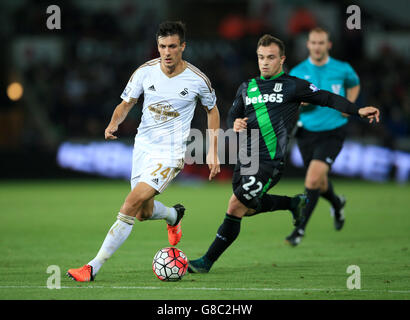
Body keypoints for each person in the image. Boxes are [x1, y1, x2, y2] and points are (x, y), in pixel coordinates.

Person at [188, 34, 379, 273]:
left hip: (270, 161)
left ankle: (206, 262)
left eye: (270, 57)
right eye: (261, 57)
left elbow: (326, 97)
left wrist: (357, 110)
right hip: (246, 160)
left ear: (282, 59)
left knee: (236, 205)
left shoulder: (293, 86)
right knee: (246, 208)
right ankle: (293, 203)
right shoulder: (247, 87)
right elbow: (232, 115)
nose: (265, 62)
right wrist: (235, 123)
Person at [67, 21, 221, 282]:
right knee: (143, 213)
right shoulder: (144, 72)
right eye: (162, 46)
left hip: (171, 153)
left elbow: (212, 110)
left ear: (183, 46)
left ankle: (92, 267)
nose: (167, 52)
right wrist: (114, 122)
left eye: (173, 46)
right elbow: (126, 103)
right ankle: (173, 214)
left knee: (129, 204)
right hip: (143, 148)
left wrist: (213, 151)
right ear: (157, 47)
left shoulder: (197, 79)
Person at [285, 27, 361, 246]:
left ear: (329, 45)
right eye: (313, 43)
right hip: (307, 132)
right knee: (320, 181)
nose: (317, 46)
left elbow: (354, 84)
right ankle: (337, 204)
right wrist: (301, 102)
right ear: (308, 45)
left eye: (321, 43)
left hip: (333, 130)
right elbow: (292, 100)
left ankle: (299, 231)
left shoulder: (342, 68)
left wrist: (350, 104)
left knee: (311, 179)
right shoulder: (299, 71)